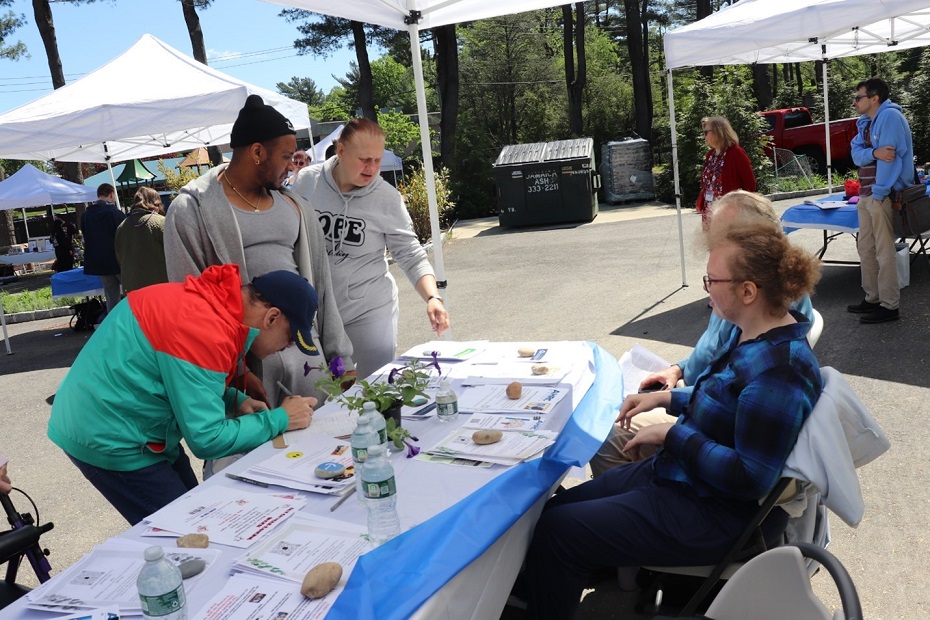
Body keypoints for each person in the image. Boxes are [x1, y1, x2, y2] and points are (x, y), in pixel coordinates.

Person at [523, 221, 823, 619]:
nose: (707, 289)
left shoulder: (780, 370)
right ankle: (550, 580)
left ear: (748, 291)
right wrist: (666, 397)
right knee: (552, 511)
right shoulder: (753, 335)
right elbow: (725, 403)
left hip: (716, 514)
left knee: (558, 533)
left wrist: (672, 434)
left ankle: (547, 589)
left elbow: (750, 477)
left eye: (711, 280)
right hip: (685, 481)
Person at [47, 264, 318, 525]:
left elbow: (174, 373)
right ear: (271, 317)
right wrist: (281, 419)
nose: (285, 348)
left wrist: (234, 398)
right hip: (107, 434)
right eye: (289, 339)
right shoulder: (204, 329)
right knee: (186, 533)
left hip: (126, 417)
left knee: (198, 512)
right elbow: (207, 438)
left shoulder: (210, 304)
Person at [590, 191, 815, 475]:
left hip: (705, 419)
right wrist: (677, 369)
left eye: (724, 236)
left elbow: (734, 407)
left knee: (605, 436)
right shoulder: (738, 293)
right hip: (694, 396)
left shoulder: (763, 305)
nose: (714, 246)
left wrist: (672, 430)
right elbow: (716, 364)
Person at [164, 94, 354, 408]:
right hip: (247, 369)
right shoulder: (191, 210)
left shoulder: (295, 206)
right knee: (251, 455)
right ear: (256, 152)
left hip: (307, 349)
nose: (293, 165)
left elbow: (322, 285)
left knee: (321, 445)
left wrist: (340, 359)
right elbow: (191, 306)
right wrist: (233, 373)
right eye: (285, 156)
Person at [291, 118, 450, 378]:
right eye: (365, 159)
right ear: (341, 151)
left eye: (377, 160)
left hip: (368, 311)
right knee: (324, 394)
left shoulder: (386, 198)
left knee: (371, 392)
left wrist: (433, 298)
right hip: (316, 314)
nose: (372, 168)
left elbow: (410, 253)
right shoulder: (307, 182)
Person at [847, 77, 913, 324]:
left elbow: (891, 158)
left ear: (874, 98)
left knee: (884, 251)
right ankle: (872, 297)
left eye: (858, 97)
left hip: (880, 194)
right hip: (866, 194)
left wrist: (880, 191)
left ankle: (889, 305)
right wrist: (873, 153)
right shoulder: (866, 122)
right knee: (866, 248)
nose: (855, 101)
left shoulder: (890, 118)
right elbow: (855, 155)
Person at [695, 116, 756, 225]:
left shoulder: (736, 153)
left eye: (706, 132)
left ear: (718, 131)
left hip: (731, 215)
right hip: (710, 214)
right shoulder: (710, 155)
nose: (704, 136)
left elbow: (750, 185)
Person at [81, 183, 126, 313]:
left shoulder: (86, 215)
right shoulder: (115, 213)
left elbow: (85, 236)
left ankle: (113, 325)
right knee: (131, 293)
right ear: (111, 194)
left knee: (111, 296)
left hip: (100, 263)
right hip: (118, 260)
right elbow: (124, 235)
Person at [114, 186, 169, 292]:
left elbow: (119, 258)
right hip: (160, 286)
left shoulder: (121, 227)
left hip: (132, 287)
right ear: (156, 202)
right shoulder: (161, 222)